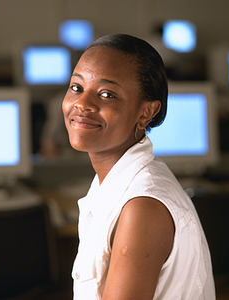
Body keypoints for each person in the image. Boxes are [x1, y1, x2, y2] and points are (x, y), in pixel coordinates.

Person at [62, 33, 215, 300]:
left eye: (107, 94)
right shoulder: (112, 183)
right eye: (77, 87)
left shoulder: (142, 206)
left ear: (146, 113)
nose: (82, 103)